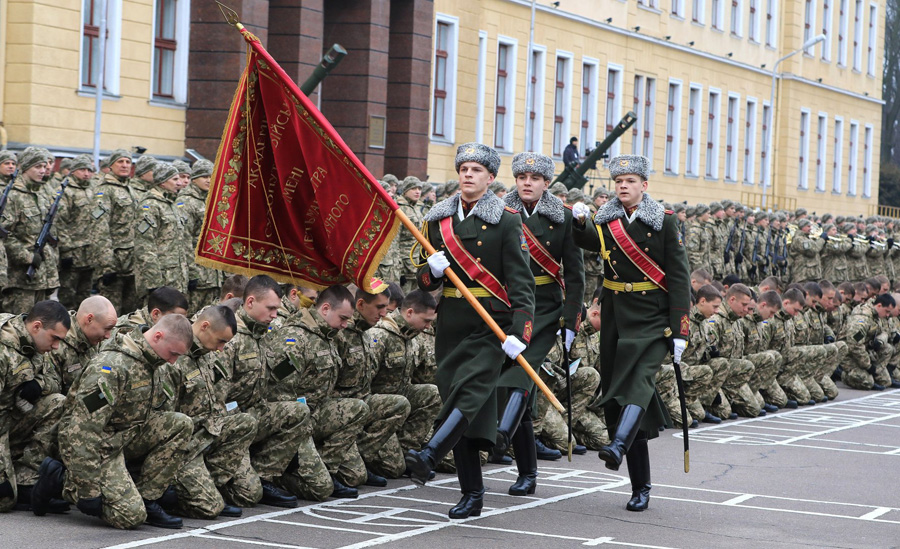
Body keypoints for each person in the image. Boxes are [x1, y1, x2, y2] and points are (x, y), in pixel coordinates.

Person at [406, 142, 535, 519]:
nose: (467, 174)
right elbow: (426, 284)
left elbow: (522, 284)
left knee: (470, 392)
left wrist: (520, 334)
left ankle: (430, 454)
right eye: (463, 168)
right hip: (452, 325)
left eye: (476, 170)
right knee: (457, 403)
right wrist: (430, 269)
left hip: (490, 323)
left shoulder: (508, 219)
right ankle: (472, 494)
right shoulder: (438, 218)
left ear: (491, 178)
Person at [571, 154, 690, 512]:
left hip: (654, 317)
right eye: (619, 180)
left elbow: (680, 276)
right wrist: (578, 221)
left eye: (630, 181)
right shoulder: (606, 218)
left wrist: (680, 328)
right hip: (617, 316)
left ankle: (619, 445)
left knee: (639, 380)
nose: (623, 186)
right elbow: (593, 242)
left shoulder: (665, 222)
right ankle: (640, 484)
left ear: (644, 186)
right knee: (620, 396)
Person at [36, 314, 194, 529]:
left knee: (181, 424)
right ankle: (62, 479)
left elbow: (158, 415)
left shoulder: (157, 363)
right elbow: (82, 430)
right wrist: (88, 490)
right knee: (129, 516)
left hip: (127, 437)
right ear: (158, 336)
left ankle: (148, 499)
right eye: (173, 353)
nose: (173, 360)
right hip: (102, 445)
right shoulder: (110, 367)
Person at [497, 151, 584, 496]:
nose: (527, 183)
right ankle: (527, 472)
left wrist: (571, 321)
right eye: (521, 178)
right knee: (522, 387)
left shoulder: (562, 218)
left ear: (546, 184)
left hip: (545, 309)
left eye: (534, 179)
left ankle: (502, 434)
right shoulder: (499, 212)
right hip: (508, 306)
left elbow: (575, 276)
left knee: (521, 375)